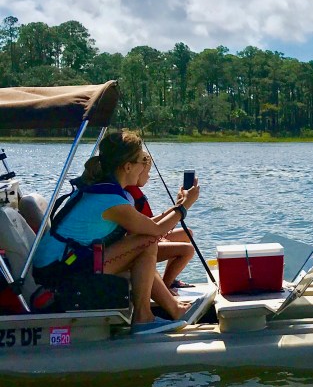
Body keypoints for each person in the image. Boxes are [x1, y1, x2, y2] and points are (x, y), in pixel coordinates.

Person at [33, 130, 200, 333]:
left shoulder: (107, 192)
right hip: (61, 271)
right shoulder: (110, 202)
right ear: (128, 166)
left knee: (144, 242)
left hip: (66, 263)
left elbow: (146, 224)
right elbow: (155, 230)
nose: (144, 165)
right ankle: (144, 318)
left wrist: (177, 207)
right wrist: (184, 208)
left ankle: (171, 309)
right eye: (141, 160)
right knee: (147, 241)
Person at [127, 158, 195, 293]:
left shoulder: (133, 192)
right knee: (188, 250)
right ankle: (165, 287)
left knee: (187, 233)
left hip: (149, 233)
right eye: (146, 172)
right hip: (140, 244)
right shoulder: (128, 195)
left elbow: (153, 223)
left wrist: (178, 206)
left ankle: (170, 280)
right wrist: (182, 207)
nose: (148, 176)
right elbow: (149, 228)